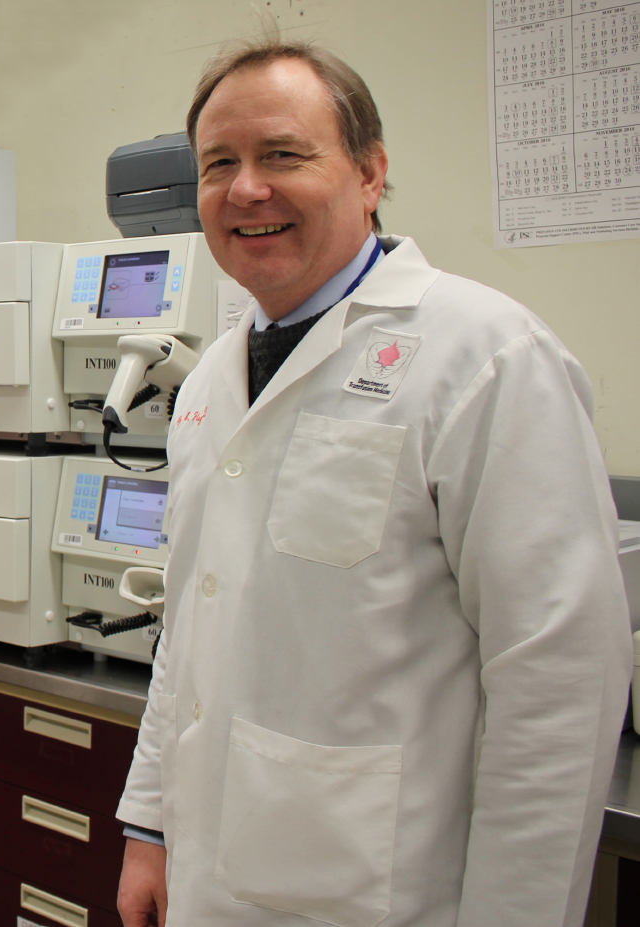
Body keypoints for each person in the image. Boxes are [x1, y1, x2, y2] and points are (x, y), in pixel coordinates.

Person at [114, 35, 632, 927]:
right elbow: (188, 625)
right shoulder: (207, 384)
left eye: (283, 154)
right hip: (212, 883)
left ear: (368, 172)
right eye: (219, 164)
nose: (246, 189)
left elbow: (556, 674)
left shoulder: (487, 356)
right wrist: (150, 824)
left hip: (384, 896)